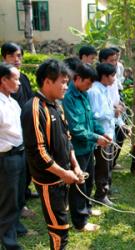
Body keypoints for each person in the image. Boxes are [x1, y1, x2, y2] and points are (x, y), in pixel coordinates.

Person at [21, 59, 83, 249]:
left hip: (64, 176)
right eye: (62, 82)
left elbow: (67, 138)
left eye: (67, 82)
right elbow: (39, 153)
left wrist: (75, 165)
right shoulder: (33, 108)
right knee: (58, 228)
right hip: (49, 181)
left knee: (61, 221)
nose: (66, 86)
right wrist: (64, 174)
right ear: (47, 81)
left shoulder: (56, 105)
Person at [62, 64, 111, 231]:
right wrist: (96, 138)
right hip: (77, 150)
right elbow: (75, 128)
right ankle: (80, 222)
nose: (90, 87)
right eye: (88, 83)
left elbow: (91, 119)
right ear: (78, 79)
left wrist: (102, 132)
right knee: (78, 185)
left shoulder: (84, 94)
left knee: (88, 181)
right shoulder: (68, 97)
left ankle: (87, 208)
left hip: (88, 147)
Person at [1, 42, 37, 217]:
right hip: (8, 147)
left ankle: (24, 198)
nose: (16, 59)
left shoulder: (21, 81)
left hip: (23, 137)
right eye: (12, 56)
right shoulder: (4, 91)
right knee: (10, 187)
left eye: (19, 56)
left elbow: (29, 100)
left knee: (24, 175)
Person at [0, 63, 24, 250]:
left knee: (17, 195)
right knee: (7, 199)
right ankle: (8, 241)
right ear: (3, 80)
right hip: (6, 157)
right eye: (15, 79)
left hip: (19, 153)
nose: (19, 83)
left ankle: (16, 227)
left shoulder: (12, 101)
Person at [87, 63, 117, 206]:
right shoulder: (94, 91)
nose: (114, 79)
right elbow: (93, 115)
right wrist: (112, 112)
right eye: (112, 75)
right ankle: (100, 194)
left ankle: (105, 189)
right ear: (104, 76)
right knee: (102, 165)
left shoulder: (105, 89)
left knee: (108, 164)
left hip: (108, 133)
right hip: (101, 134)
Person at [99, 48, 127, 170]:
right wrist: (114, 109)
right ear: (103, 61)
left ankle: (112, 162)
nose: (115, 63)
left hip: (116, 112)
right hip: (107, 115)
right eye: (111, 60)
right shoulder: (99, 80)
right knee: (108, 141)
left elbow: (115, 94)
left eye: (116, 60)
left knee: (121, 133)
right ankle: (105, 166)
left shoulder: (113, 74)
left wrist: (119, 103)